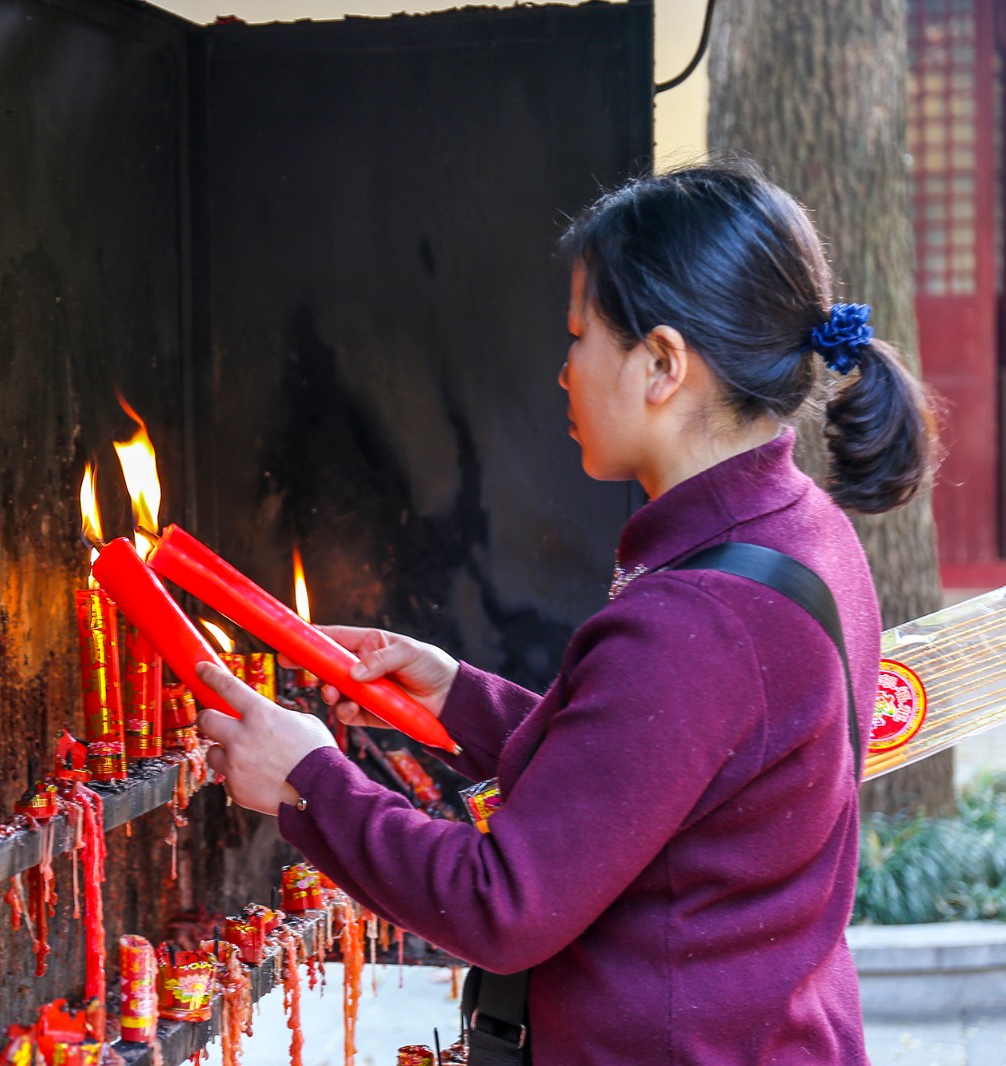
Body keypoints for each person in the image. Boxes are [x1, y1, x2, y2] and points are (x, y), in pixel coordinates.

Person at [193, 162, 937, 1063]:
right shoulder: (795, 530)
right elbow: (649, 772)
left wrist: (309, 779)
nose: (562, 371)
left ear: (663, 364)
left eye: (580, 336)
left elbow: (499, 906)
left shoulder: (699, 620)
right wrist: (458, 700)